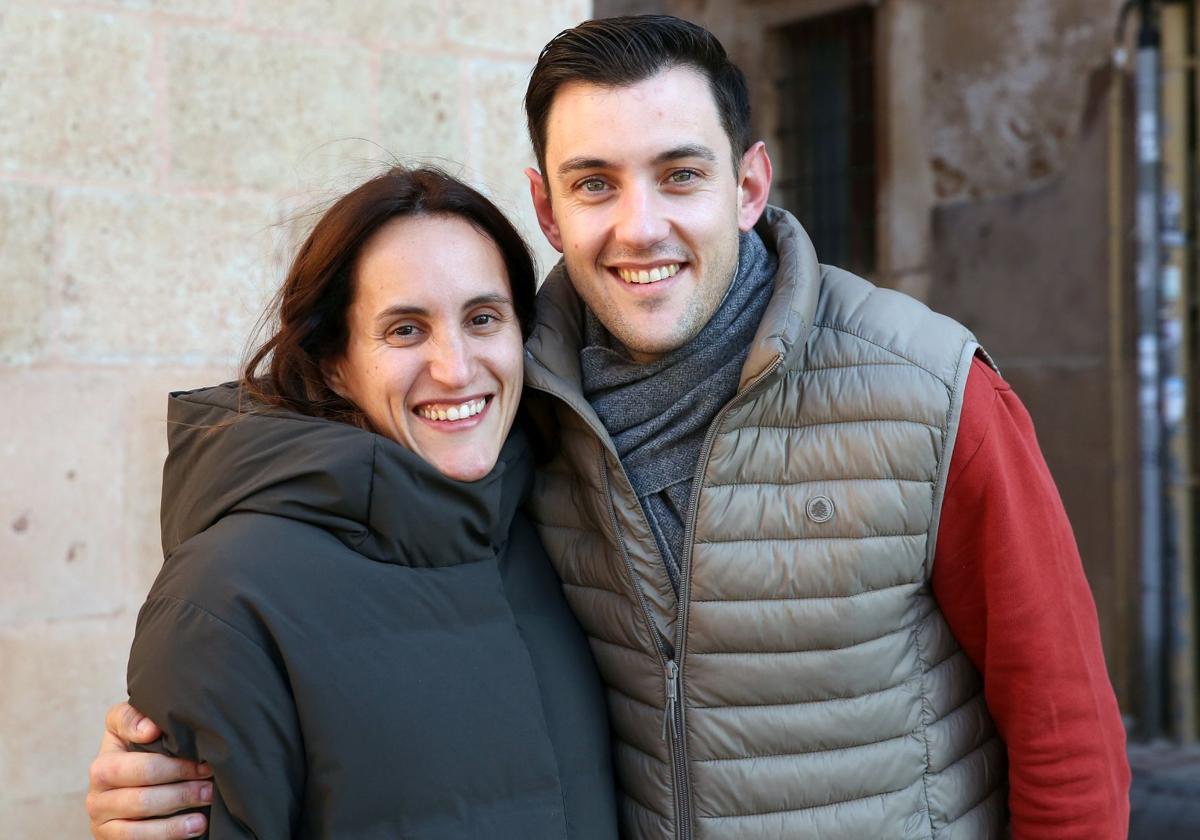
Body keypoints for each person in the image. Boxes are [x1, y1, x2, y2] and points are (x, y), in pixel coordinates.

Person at [88, 15, 1130, 840]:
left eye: (680, 174)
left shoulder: (928, 388)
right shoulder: (515, 415)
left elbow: (1064, 733)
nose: (640, 226)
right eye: (596, 184)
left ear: (750, 185)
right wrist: (172, 772)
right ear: (547, 210)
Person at [96, 166, 617, 838]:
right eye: (405, 330)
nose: (456, 367)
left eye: (483, 318)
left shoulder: (561, 520)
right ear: (335, 361)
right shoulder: (227, 598)